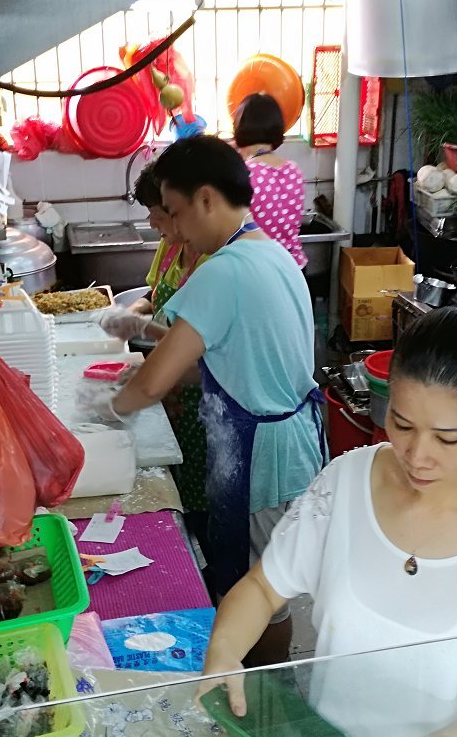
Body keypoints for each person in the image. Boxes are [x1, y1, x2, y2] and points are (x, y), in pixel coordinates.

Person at [198, 301, 457, 737]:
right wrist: (224, 652)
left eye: (448, 439)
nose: (418, 456)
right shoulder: (347, 483)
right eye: (402, 425)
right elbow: (262, 587)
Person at [83, 135, 327, 666]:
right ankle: (261, 681)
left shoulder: (223, 269)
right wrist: (146, 333)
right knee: (264, 582)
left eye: (173, 212)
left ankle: (263, 691)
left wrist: (103, 411)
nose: (172, 229)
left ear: (207, 199)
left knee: (257, 594)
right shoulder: (271, 254)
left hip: (260, 453)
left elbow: (155, 382)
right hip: (291, 442)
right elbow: (222, 364)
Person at [101, 161, 211, 541]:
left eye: (157, 214)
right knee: (174, 468)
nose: (153, 224)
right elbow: (152, 294)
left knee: (201, 483)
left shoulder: (213, 263)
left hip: (201, 388)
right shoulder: (169, 247)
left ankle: (200, 544)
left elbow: (198, 343)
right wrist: (131, 314)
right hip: (171, 379)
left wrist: (112, 404)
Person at [232, 93, 307, 269]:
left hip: (260, 271)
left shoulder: (245, 173)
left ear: (240, 127)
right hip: (293, 268)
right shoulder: (293, 170)